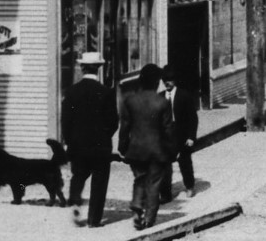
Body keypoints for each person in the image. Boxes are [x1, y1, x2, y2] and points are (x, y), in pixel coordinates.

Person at [61, 52, 118, 227]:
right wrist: (104, 136)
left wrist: (69, 141)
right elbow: (113, 122)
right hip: (100, 146)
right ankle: (94, 219)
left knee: (78, 176)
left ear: (82, 68)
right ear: (99, 68)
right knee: (99, 182)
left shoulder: (71, 92)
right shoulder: (106, 92)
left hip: (77, 145)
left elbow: (65, 120)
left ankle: (76, 203)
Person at [118, 63, 175, 231]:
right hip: (157, 151)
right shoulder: (163, 103)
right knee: (154, 184)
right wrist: (171, 150)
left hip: (135, 150)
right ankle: (148, 219)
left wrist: (122, 147)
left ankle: (137, 205)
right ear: (157, 82)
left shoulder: (130, 100)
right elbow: (168, 129)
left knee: (139, 179)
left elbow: (125, 126)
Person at [166, 63, 200, 201]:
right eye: (165, 80)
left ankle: (190, 186)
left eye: (170, 79)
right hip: (166, 135)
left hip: (181, 134)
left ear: (175, 80)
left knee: (185, 162)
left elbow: (193, 118)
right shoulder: (161, 96)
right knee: (165, 165)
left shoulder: (184, 96)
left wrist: (191, 136)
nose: (167, 83)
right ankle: (166, 192)